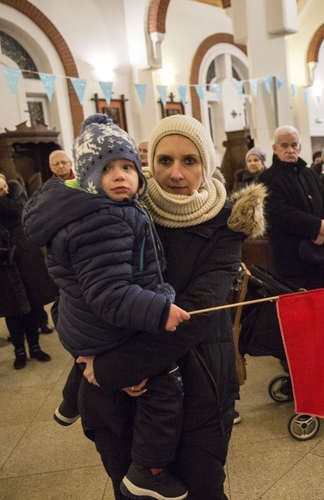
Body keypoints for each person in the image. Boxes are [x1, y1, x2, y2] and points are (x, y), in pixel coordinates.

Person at [66, 115, 265, 499]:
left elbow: (194, 316)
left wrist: (117, 368)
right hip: (115, 395)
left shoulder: (227, 225)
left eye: (189, 161)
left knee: (202, 489)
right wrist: (93, 361)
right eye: (164, 161)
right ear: (149, 164)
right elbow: (75, 296)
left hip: (198, 381)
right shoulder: (115, 210)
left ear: (205, 165)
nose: (176, 173)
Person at [24, 114, 192, 500]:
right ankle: (148, 471)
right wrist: (159, 310)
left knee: (85, 356)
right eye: (107, 169)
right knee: (164, 389)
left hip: (83, 324)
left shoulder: (105, 211)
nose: (119, 176)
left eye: (127, 167)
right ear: (86, 176)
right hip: (106, 326)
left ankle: (69, 403)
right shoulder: (104, 219)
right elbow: (110, 294)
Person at [0, 171, 56, 369]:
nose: (5, 190)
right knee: (12, 310)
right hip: (1, 264)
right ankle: (19, 351)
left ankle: (35, 347)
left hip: (25, 258)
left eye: (5, 186)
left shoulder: (15, 201)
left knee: (33, 306)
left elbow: (19, 215)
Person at [260, 125, 324, 290]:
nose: (290, 150)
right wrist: (316, 227)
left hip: (319, 253)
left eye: (294, 145)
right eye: (284, 146)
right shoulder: (268, 178)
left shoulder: (309, 173)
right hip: (291, 259)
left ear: (300, 147)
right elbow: (279, 212)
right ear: (275, 148)